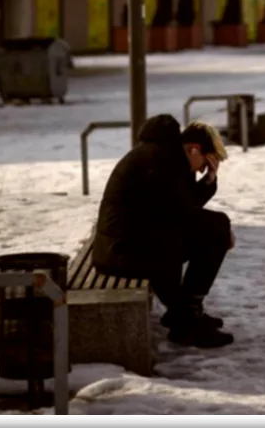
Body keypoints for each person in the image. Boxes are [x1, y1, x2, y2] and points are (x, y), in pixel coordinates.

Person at [91, 114, 236, 348]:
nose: (200, 171)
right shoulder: (162, 161)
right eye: (205, 164)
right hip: (122, 252)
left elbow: (181, 207)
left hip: (126, 244)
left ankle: (187, 313)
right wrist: (223, 228)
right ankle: (186, 321)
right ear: (195, 150)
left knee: (212, 230)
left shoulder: (164, 156)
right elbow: (179, 214)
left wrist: (209, 180)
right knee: (215, 228)